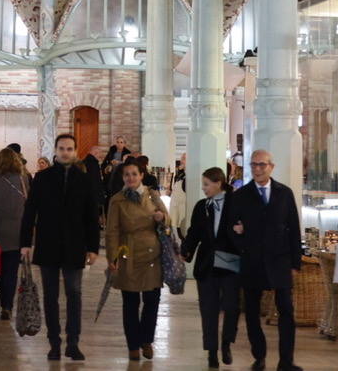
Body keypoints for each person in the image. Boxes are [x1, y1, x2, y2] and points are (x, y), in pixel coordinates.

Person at [20, 133, 99, 361]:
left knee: (74, 294)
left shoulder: (84, 180)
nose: (65, 152)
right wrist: (25, 242)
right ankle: (54, 342)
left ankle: (73, 342)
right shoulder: (42, 178)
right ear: (55, 151)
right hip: (48, 244)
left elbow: (91, 217)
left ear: (75, 152)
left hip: (75, 245)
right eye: (62, 148)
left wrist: (92, 247)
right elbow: (30, 212)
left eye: (70, 149)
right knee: (50, 296)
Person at [232, 149, 304, 371]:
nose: (257, 169)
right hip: (252, 261)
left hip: (279, 260)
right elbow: (231, 228)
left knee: (286, 311)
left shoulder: (284, 193)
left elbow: (293, 228)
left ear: (271, 167)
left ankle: (286, 360)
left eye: (261, 165)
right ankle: (259, 355)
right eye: (253, 165)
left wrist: (295, 262)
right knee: (252, 311)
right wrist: (238, 233)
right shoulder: (241, 195)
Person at [107, 158, 168, 361]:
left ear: (142, 175)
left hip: (152, 253)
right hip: (128, 252)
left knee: (152, 300)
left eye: (134, 174)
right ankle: (133, 344)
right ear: (123, 178)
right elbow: (112, 231)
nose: (131, 178)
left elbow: (168, 219)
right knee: (130, 302)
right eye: (127, 174)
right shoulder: (117, 200)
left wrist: (162, 218)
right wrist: (112, 257)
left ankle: (146, 340)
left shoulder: (152, 195)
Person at [182, 166, 241, 369]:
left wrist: (242, 231)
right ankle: (212, 351)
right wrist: (186, 249)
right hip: (207, 264)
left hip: (230, 262)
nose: (204, 189)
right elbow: (194, 232)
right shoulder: (202, 206)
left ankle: (226, 343)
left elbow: (246, 227)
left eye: (207, 185)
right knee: (208, 310)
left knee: (232, 307)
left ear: (218, 183)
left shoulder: (236, 203)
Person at [0, 147, 27, 320]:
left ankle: (0, 301)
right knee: (11, 272)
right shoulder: (23, 180)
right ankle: (7, 305)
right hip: (18, 234)